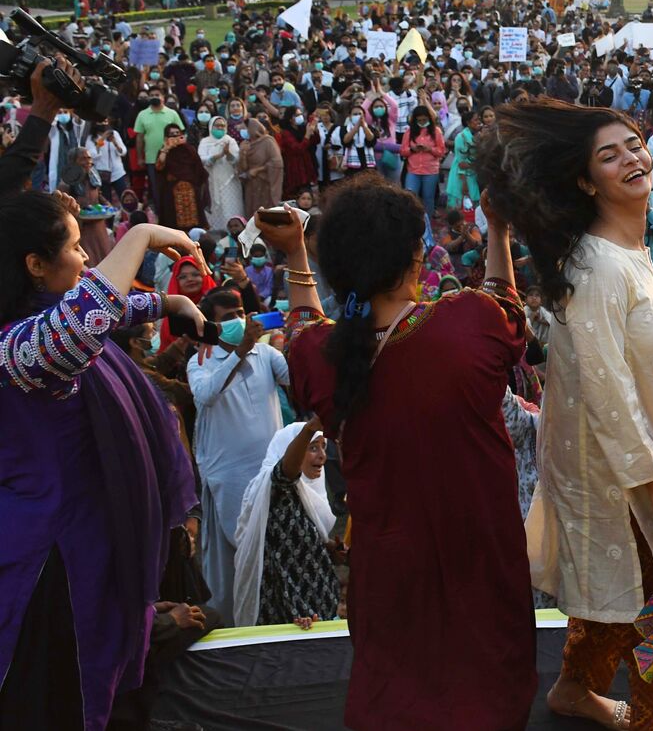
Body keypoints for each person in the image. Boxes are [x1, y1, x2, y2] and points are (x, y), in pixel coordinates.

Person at [270, 174, 536, 731]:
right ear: (417, 256)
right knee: (486, 693)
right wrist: (497, 226)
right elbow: (507, 303)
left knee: (397, 696)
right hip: (479, 551)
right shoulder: (467, 321)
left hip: (388, 560)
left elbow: (300, 325)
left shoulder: (322, 356)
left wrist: (296, 249)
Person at [478, 99, 653, 730]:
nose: (632, 156)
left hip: (639, 456)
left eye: (633, 144)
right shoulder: (599, 265)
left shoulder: (628, 251)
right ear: (585, 180)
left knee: (620, 594)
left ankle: (574, 690)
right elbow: (605, 388)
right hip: (623, 473)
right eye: (611, 155)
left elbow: (627, 362)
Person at [0, 191, 203, 729]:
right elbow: (80, 323)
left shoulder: (42, 317)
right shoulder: (15, 350)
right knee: (61, 694)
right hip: (50, 561)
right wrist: (138, 237)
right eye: (75, 247)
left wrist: (166, 303)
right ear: (35, 265)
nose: (88, 257)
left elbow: (100, 310)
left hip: (90, 537)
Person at [186, 289, 289, 620]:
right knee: (238, 552)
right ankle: (238, 624)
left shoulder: (266, 354)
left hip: (269, 471)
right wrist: (238, 353)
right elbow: (206, 394)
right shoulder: (200, 360)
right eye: (227, 317)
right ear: (212, 325)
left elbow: (295, 377)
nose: (237, 321)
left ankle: (277, 616)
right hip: (229, 475)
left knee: (275, 547)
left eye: (240, 312)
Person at [232, 419, 339, 627]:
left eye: (323, 447)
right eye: (312, 448)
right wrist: (309, 429)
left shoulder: (311, 496)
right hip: (286, 611)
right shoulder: (277, 489)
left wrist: (329, 551)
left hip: (318, 611)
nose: (322, 456)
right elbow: (285, 472)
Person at [133, 94, 185, 215]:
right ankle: (161, 216)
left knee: (173, 186)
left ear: (163, 97)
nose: (154, 96)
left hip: (173, 158)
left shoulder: (172, 113)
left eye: (157, 94)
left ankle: (176, 214)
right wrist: (140, 157)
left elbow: (181, 134)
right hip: (152, 159)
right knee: (157, 189)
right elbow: (139, 137)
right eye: (152, 95)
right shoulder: (142, 114)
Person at [154, 123, 209, 232]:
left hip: (191, 191)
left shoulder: (189, 150)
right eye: (171, 135)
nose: (175, 137)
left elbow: (199, 170)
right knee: (173, 224)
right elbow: (159, 167)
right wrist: (166, 149)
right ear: (166, 137)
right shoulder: (164, 151)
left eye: (177, 134)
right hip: (172, 192)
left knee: (194, 225)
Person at [198, 115, 244, 229]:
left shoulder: (230, 141)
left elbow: (236, 161)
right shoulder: (205, 142)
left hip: (230, 181)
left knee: (230, 208)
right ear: (211, 127)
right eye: (217, 125)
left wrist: (228, 153)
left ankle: (234, 231)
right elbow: (201, 159)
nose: (220, 128)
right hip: (212, 180)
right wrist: (217, 156)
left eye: (223, 126)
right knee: (215, 208)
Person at [400, 105, 447, 213]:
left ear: (429, 119)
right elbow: (403, 151)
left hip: (430, 171)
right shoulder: (409, 132)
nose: (422, 122)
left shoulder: (436, 131)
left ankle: (427, 224)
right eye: (419, 120)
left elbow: (441, 151)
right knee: (410, 197)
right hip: (413, 170)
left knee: (428, 199)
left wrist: (429, 149)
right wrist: (412, 150)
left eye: (424, 120)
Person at [236, 119, 284, 216]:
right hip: (252, 185)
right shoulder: (246, 144)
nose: (243, 131)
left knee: (266, 212)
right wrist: (243, 153)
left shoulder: (268, 141)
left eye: (245, 128)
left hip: (266, 183)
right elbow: (243, 169)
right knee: (252, 213)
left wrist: (258, 170)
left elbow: (277, 162)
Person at [445, 114, 479, 213]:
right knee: (459, 207)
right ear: (468, 123)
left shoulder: (478, 135)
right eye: (476, 120)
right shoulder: (461, 137)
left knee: (472, 208)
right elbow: (461, 163)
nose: (478, 122)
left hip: (473, 174)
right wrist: (464, 184)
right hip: (460, 176)